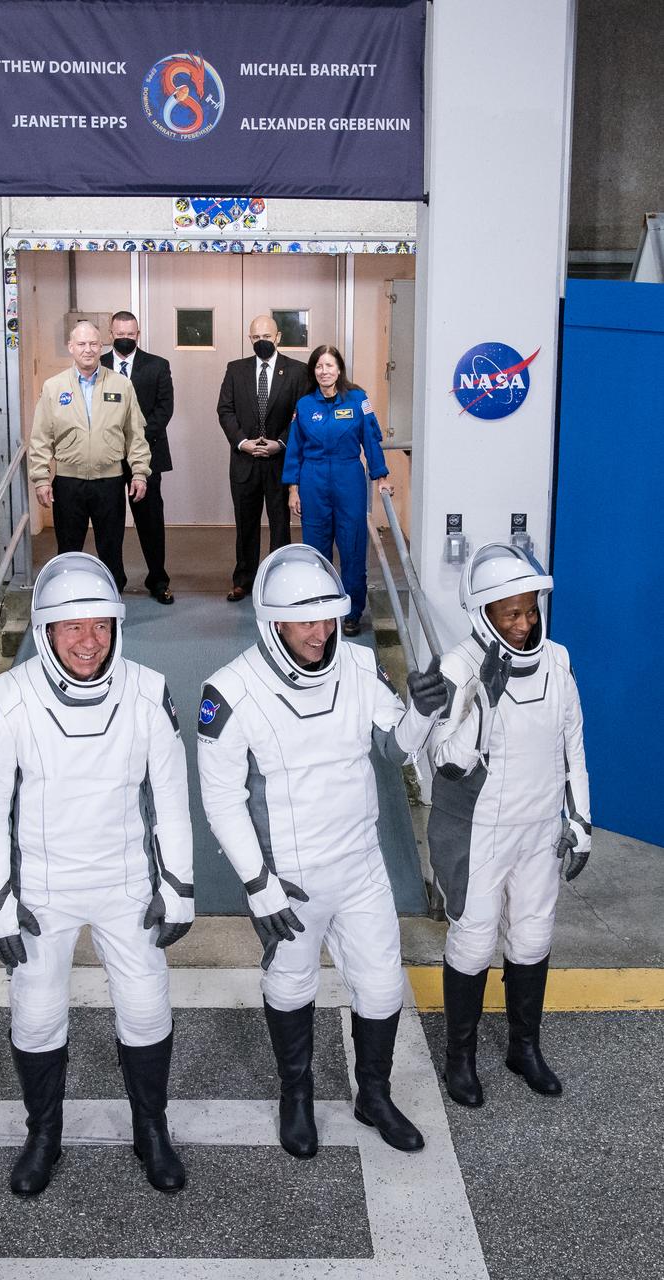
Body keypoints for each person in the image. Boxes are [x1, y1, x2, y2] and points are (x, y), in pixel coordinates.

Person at [196, 544, 447, 1157]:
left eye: (328, 618)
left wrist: (420, 714)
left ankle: (374, 1095)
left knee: (382, 987)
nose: (320, 633)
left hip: (361, 865)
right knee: (291, 986)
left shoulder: (359, 664)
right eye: (305, 621)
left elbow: (392, 748)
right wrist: (258, 885)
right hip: (290, 881)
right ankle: (296, 1096)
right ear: (272, 622)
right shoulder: (228, 691)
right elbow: (222, 801)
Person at [0, 552, 195, 1196]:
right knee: (37, 1016)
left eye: (101, 625)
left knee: (146, 1009)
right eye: (73, 627)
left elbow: (171, 798)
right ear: (46, 630)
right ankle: (44, 1135)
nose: (90, 641)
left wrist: (178, 887)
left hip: (127, 884)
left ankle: (151, 1129)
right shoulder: (8, 699)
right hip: (42, 890)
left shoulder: (148, 691)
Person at [429, 542, 591, 1108]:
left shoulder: (558, 660)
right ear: (484, 615)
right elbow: (445, 762)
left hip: (540, 828)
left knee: (532, 937)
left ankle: (525, 1047)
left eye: (530, 611)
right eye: (511, 614)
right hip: (480, 834)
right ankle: (460, 1059)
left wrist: (581, 819)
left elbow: (573, 747)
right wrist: (483, 702)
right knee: (473, 942)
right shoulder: (456, 668)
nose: (524, 625)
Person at [29, 319, 152, 594]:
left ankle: (112, 598)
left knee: (111, 547)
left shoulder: (121, 385)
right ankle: (66, 597)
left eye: (94, 344)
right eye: (82, 344)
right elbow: (40, 438)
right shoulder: (53, 387)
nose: (88, 349)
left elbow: (135, 434)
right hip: (68, 483)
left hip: (109, 482)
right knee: (68, 548)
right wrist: (41, 478)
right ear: (70, 347)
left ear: (101, 346)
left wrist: (140, 472)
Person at [283, 344, 393, 637]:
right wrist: (293, 490)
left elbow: (371, 440)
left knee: (352, 547)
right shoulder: (305, 405)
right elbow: (294, 450)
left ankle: (352, 612)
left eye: (329, 365)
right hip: (313, 480)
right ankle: (322, 608)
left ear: (339, 369)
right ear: (313, 371)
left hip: (348, 480)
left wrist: (381, 477)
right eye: (319, 366)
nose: (324, 371)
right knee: (316, 550)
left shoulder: (358, 399)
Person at [217, 314, 308, 602]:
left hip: (280, 462)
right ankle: (244, 580)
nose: (261, 342)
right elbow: (225, 410)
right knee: (245, 524)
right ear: (249, 339)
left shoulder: (297, 371)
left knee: (280, 525)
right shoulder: (236, 369)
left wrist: (280, 443)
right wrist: (242, 442)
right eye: (256, 337)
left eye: (267, 337)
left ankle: (279, 580)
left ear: (278, 337)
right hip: (244, 461)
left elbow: (301, 416)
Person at [101, 310, 176, 604]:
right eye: (120, 334)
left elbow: (164, 409)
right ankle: (113, 580)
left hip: (148, 454)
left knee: (150, 521)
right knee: (110, 522)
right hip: (107, 457)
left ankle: (158, 579)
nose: (125, 338)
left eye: (130, 334)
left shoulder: (157, 365)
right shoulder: (99, 365)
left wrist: (136, 439)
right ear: (111, 334)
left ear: (138, 335)